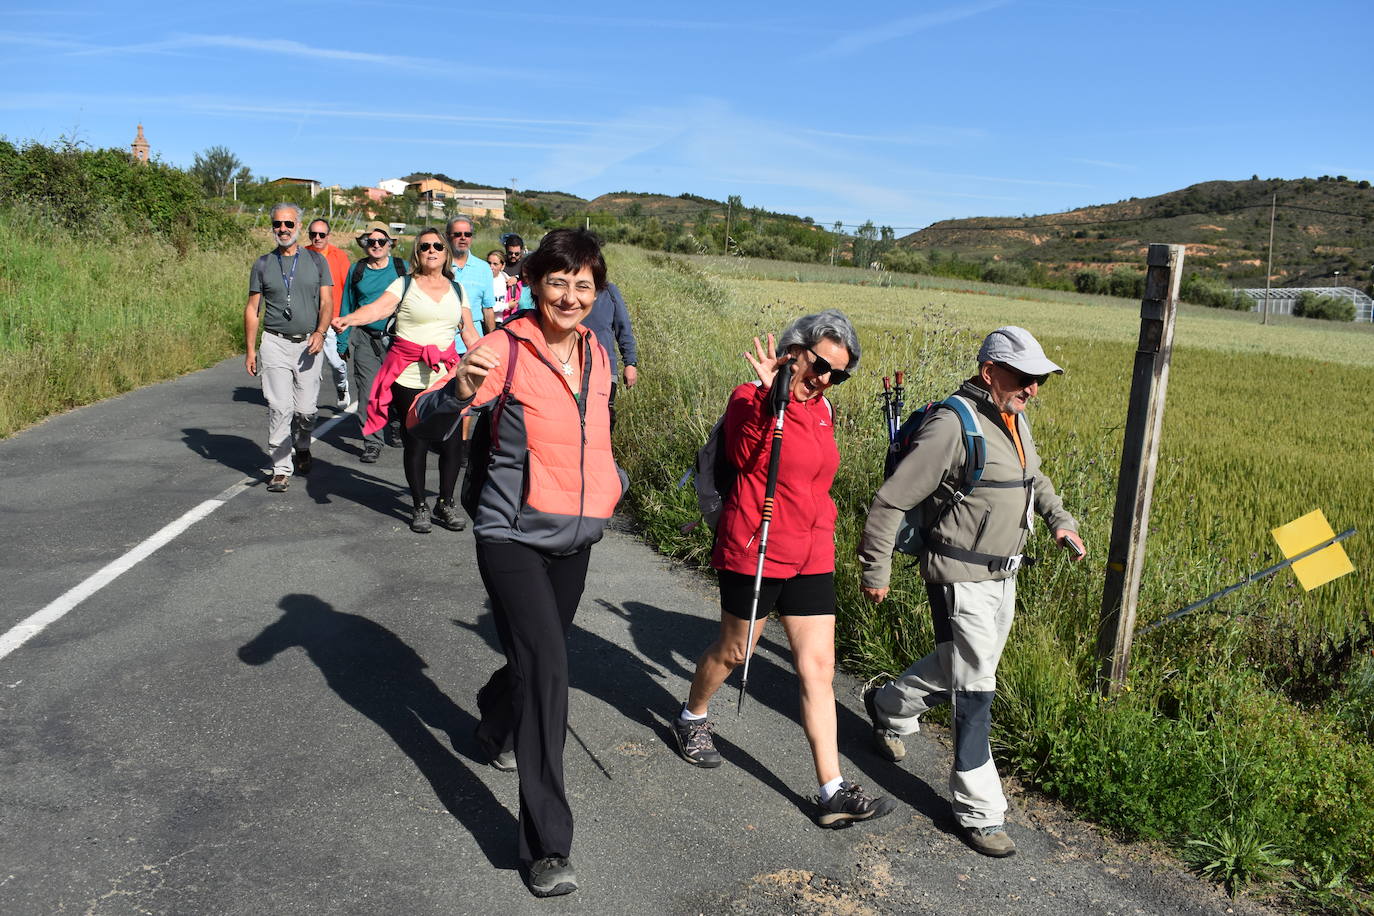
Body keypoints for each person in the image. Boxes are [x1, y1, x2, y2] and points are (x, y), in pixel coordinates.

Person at [408, 228, 626, 898]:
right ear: (535, 283)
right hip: (510, 537)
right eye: (557, 281)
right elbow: (424, 419)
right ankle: (544, 845)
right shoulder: (502, 347)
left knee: (539, 657)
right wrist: (454, 393)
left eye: (583, 284)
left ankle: (496, 717)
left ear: (598, 290)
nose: (570, 295)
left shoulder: (598, 353)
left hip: (575, 537)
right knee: (551, 672)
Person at [857, 326, 1086, 858]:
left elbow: (1034, 479)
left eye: (1040, 380)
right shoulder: (951, 426)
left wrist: (1059, 520)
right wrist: (877, 570)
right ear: (991, 372)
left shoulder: (1013, 419)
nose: (1033, 388)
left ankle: (889, 707)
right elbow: (890, 501)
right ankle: (979, 811)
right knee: (976, 689)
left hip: (1004, 575)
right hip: (960, 577)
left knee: (955, 664)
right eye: (1025, 377)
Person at [671, 310, 896, 829]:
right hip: (758, 543)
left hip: (813, 548)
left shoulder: (824, 410)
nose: (824, 380)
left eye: (837, 375)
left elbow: (819, 477)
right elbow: (745, 457)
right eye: (820, 366)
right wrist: (770, 400)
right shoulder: (749, 399)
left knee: (819, 669)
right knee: (736, 649)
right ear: (794, 350)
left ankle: (831, 789)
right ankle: (692, 717)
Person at [332, 228, 478, 532]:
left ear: (446, 252)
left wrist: (489, 353)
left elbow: (468, 332)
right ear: (417, 252)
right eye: (425, 246)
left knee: (452, 442)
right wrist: (350, 320)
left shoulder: (457, 290)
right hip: (408, 374)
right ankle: (419, 505)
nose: (432, 250)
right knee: (417, 441)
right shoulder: (405, 284)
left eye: (438, 245)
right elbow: (377, 309)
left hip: (447, 375)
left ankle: (446, 502)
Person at [244, 203, 333, 493]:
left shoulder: (317, 261)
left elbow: (327, 302)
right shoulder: (262, 264)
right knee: (279, 407)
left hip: (309, 343)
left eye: (288, 224)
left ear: (298, 226)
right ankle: (281, 468)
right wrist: (250, 350)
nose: (282, 229)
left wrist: (321, 331)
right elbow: (252, 308)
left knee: (306, 411)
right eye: (277, 224)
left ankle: (302, 445)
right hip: (274, 343)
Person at [336, 222, 408, 463]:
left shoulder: (402, 268)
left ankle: (397, 425)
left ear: (390, 244)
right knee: (368, 391)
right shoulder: (357, 270)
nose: (375, 245)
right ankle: (372, 442)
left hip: (398, 340)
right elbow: (347, 304)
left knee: (399, 389)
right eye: (370, 241)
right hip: (365, 338)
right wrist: (343, 341)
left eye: (381, 241)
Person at [306, 218, 353, 408]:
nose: (317, 238)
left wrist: (346, 317)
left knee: (336, 363)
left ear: (328, 236)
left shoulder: (339, 256)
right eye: (313, 234)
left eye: (321, 235)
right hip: (309, 319)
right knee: (309, 365)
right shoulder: (303, 255)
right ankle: (307, 402)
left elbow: (347, 288)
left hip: (333, 318)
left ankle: (342, 386)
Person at [581, 281, 638, 430]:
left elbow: (623, 327)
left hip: (605, 368)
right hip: (572, 367)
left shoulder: (609, 291)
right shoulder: (570, 291)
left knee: (603, 419)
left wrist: (630, 363)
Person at [446, 216, 497, 334]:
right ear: (448, 236)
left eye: (467, 234)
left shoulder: (484, 268)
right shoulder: (439, 266)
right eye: (458, 234)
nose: (463, 238)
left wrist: (493, 341)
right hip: (443, 343)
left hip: (474, 342)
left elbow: (488, 309)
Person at [485, 249, 516, 323]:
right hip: (486, 321)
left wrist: (515, 279)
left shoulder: (504, 277)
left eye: (495, 264)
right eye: (489, 263)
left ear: (502, 266)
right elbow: (487, 307)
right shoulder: (482, 281)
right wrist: (507, 306)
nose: (491, 267)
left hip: (502, 321)